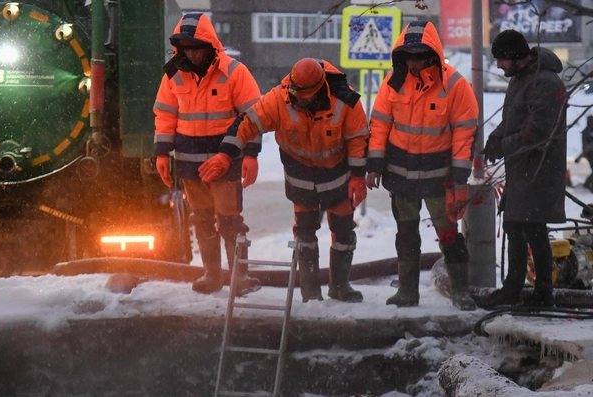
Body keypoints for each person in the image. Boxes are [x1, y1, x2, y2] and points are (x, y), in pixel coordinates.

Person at [198, 58, 369, 303]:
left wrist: (358, 177)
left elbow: (359, 140)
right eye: (296, 93)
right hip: (300, 177)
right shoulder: (279, 99)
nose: (299, 99)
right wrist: (226, 154)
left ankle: (340, 286)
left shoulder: (345, 101)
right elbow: (246, 124)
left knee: (343, 232)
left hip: (337, 178)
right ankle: (310, 295)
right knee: (305, 235)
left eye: (305, 95)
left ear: (319, 88)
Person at [366, 21, 478, 311]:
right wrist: (375, 163)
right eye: (408, 56)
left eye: (419, 56)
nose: (413, 62)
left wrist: (459, 177)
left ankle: (461, 292)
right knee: (406, 234)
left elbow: (465, 133)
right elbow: (379, 124)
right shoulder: (393, 83)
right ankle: (407, 292)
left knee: (449, 235)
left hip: (438, 178)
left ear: (433, 55)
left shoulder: (454, 85)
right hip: (401, 176)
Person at [153, 13, 262, 296]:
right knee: (201, 219)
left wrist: (250, 154)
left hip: (225, 162)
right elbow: (165, 115)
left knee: (230, 220)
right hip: (189, 164)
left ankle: (240, 277)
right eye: (186, 47)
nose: (192, 53)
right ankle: (212, 274)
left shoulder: (235, 72)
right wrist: (162, 153)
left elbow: (253, 116)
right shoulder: (173, 74)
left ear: (210, 44)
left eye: (197, 46)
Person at [480, 29, 567, 308]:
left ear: (517, 57)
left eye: (502, 60)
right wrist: (495, 139)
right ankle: (513, 288)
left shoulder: (544, 82)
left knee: (533, 230)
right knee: (515, 226)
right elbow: (512, 121)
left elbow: (536, 133)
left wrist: (502, 146)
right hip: (522, 169)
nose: (498, 66)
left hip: (539, 168)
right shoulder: (520, 79)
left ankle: (543, 293)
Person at [577, 115, 593, 191]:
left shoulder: (586, 131)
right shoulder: (586, 132)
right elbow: (586, 146)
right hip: (590, 155)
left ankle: (588, 184)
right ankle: (588, 184)